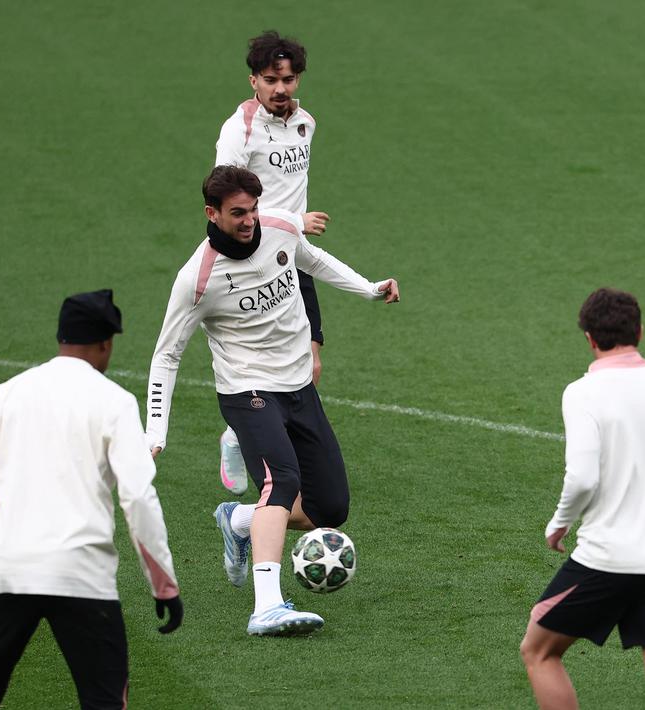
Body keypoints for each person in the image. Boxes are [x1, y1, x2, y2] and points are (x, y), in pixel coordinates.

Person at [145, 165, 398, 635]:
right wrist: (155, 432)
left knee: (329, 508)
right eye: (238, 213)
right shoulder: (197, 279)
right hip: (247, 391)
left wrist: (368, 288)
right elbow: (166, 357)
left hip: (298, 386)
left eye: (253, 209)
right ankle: (266, 607)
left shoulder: (279, 227)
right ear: (212, 213)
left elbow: (313, 261)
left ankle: (239, 520)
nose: (249, 220)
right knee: (280, 480)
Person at [0, 290, 181, 710]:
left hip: (7, 571)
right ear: (105, 344)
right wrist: (163, 587)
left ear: (61, 336)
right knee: (104, 702)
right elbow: (137, 497)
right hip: (82, 576)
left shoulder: (8, 393)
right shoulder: (116, 402)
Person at [519, 288, 645, 710]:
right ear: (640, 331)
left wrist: (560, 522)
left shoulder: (582, 392)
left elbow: (584, 476)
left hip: (606, 559)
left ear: (589, 338)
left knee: (539, 651)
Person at [213, 30, 331, 497]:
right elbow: (223, 195)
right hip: (250, 261)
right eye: (270, 79)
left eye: (289, 78)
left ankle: (270, 445)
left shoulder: (306, 124)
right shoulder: (238, 130)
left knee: (310, 361)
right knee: (259, 358)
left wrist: (293, 230)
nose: (281, 88)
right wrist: (291, 219)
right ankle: (240, 437)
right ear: (253, 81)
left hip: (292, 257)